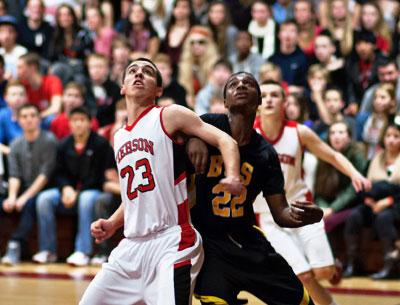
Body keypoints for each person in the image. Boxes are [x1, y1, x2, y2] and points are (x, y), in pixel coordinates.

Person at [80, 58, 243, 305]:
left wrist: (232, 175)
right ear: (122, 87)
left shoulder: (169, 115)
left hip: (172, 240)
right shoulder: (119, 136)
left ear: (158, 90)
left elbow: (226, 141)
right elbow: (134, 194)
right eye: (132, 71)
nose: (138, 74)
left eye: (147, 72)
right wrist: (113, 223)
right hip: (131, 247)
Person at [187, 72, 323, 305]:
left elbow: (281, 212)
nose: (240, 86)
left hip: (246, 240)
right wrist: (193, 138)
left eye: (248, 84)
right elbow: (174, 129)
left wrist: (308, 217)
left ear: (258, 101)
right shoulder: (206, 124)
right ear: (225, 101)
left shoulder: (265, 153)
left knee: (302, 302)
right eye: (233, 84)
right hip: (209, 245)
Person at [253, 80, 371, 305]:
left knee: (324, 272)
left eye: (274, 95)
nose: (268, 99)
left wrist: (355, 174)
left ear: (285, 102)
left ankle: (331, 265)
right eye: (264, 95)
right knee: (303, 275)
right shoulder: (249, 134)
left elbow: (332, 155)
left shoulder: (299, 132)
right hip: (268, 215)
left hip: (302, 209)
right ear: (257, 103)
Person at [33, 106, 114, 266]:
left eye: (82, 120)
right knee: (44, 199)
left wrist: (77, 192)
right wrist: (66, 189)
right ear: (69, 123)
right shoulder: (63, 145)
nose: (78, 124)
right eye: (75, 120)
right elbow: (58, 172)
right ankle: (48, 250)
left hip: (91, 191)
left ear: (90, 123)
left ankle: (82, 251)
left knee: (85, 198)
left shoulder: (100, 144)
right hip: (68, 192)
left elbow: (98, 176)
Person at [0, 104, 57, 265]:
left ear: (39, 119)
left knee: (32, 202)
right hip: (23, 187)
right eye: (24, 116)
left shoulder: (49, 140)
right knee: (4, 202)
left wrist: (23, 198)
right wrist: (11, 197)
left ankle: (15, 244)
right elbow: (14, 175)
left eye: (33, 115)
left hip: (45, 187)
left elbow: (45, 175)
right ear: (18, 120)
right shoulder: (15, 144)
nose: (29, 119)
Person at [343, 122, 400, 279]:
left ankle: (390, 266)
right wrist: (368, 200)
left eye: (396, 136)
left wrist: (387, 201)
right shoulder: (375, 158)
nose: (391, 140)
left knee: (384, 218)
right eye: (388, 136)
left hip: (395, 205)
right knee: (354, 215)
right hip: (373, 203)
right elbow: (363, 185)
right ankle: (352, 263)